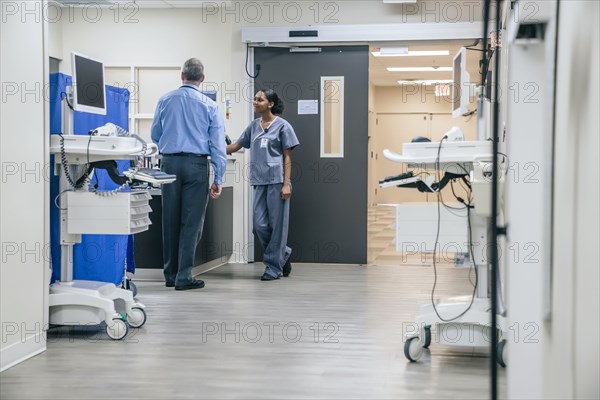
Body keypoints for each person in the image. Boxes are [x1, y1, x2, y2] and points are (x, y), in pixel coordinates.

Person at [150, 58, 227, 291]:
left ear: (181, 75)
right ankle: (184, 277)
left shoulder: (164, 100)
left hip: (169, 164)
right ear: (202, 78)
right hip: (196, 166)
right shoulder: (210, 105)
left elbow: (155, 134)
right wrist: (218, 179)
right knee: (191, 223)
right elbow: (218, 146)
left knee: (169, 221)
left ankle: (170, 275)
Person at [227, 89, 299, 281]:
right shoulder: (253, 126)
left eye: (260, 99)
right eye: (255, 99)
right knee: (259, 226)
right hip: (259, 182)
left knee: (278, 227)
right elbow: (235, 146)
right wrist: (213, 148)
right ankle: (283, 254)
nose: (255, 102)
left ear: (270, 104)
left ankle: (273, 268)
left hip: (277, 182)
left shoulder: (283, 126)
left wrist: (286, 184)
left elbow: (287, 157)